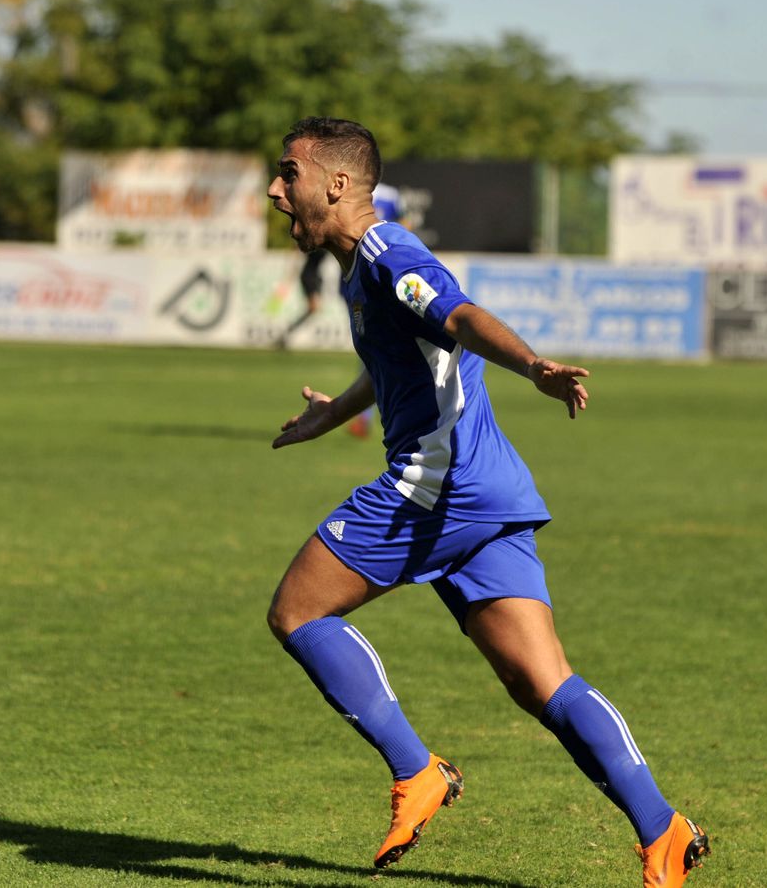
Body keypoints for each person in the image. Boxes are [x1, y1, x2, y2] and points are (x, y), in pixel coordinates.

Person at [265, 117, 709, 887]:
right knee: (543, 682)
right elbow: (401, 358)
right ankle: (664, 829)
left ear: (335, 184)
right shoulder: (360, 268)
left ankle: (418, 770)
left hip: (436, 489)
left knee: (299, 613)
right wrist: (335, 413)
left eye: (288, 173)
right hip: (487, 491)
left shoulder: (388, 253)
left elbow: (459, 316)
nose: (276, 190)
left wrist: (533, 366)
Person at [277, 181, 403, 354]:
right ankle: (289, 333)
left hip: (320, 274)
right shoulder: (314, 238)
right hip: (311, 274)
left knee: (322, 306)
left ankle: (290, 333)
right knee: (320, 306)